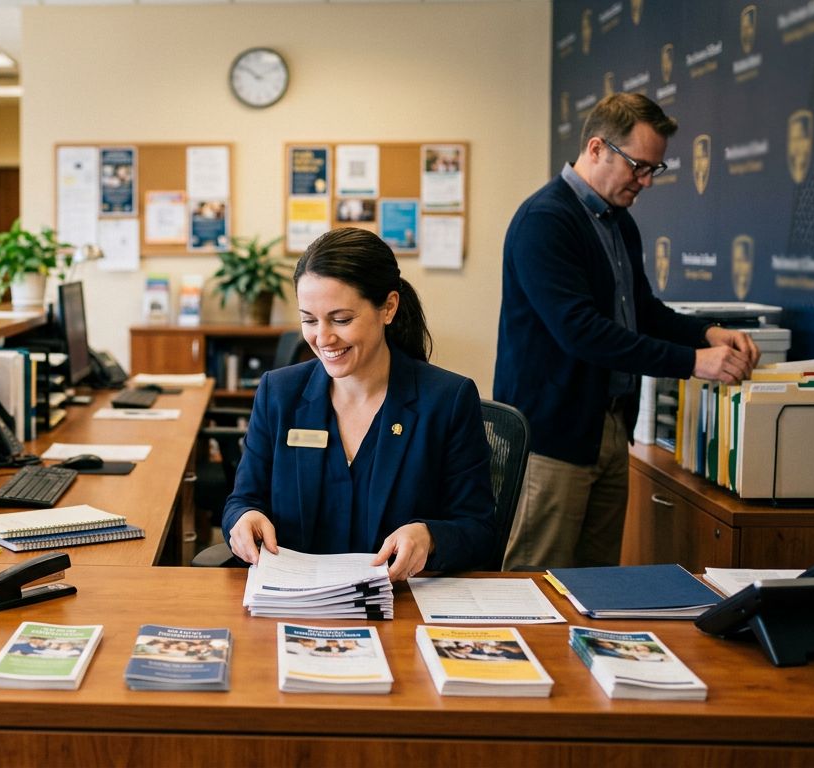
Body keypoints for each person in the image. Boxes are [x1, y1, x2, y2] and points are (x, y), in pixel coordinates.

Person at [495, 93, 761, 571]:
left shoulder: (620, 224)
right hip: (554, 434)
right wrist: (693, 363)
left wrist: (708, 335)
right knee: (535, 580)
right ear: (596, 148)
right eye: (639, 166)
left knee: (596, 583)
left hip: (612, 426)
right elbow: (583, 333)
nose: (646, 182)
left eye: (653, 170)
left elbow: (641, 312)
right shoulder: (546, 221)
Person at [222, 228, 496, 579]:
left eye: (341, 319)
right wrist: (243, 519)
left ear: (389, 308)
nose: (322, 338)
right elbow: (243, 500)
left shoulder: (446, 400)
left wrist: (429, 537)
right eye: (309, 320)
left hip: (400, 608)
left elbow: (478, 530)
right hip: (296, 604)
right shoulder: (279, 392)